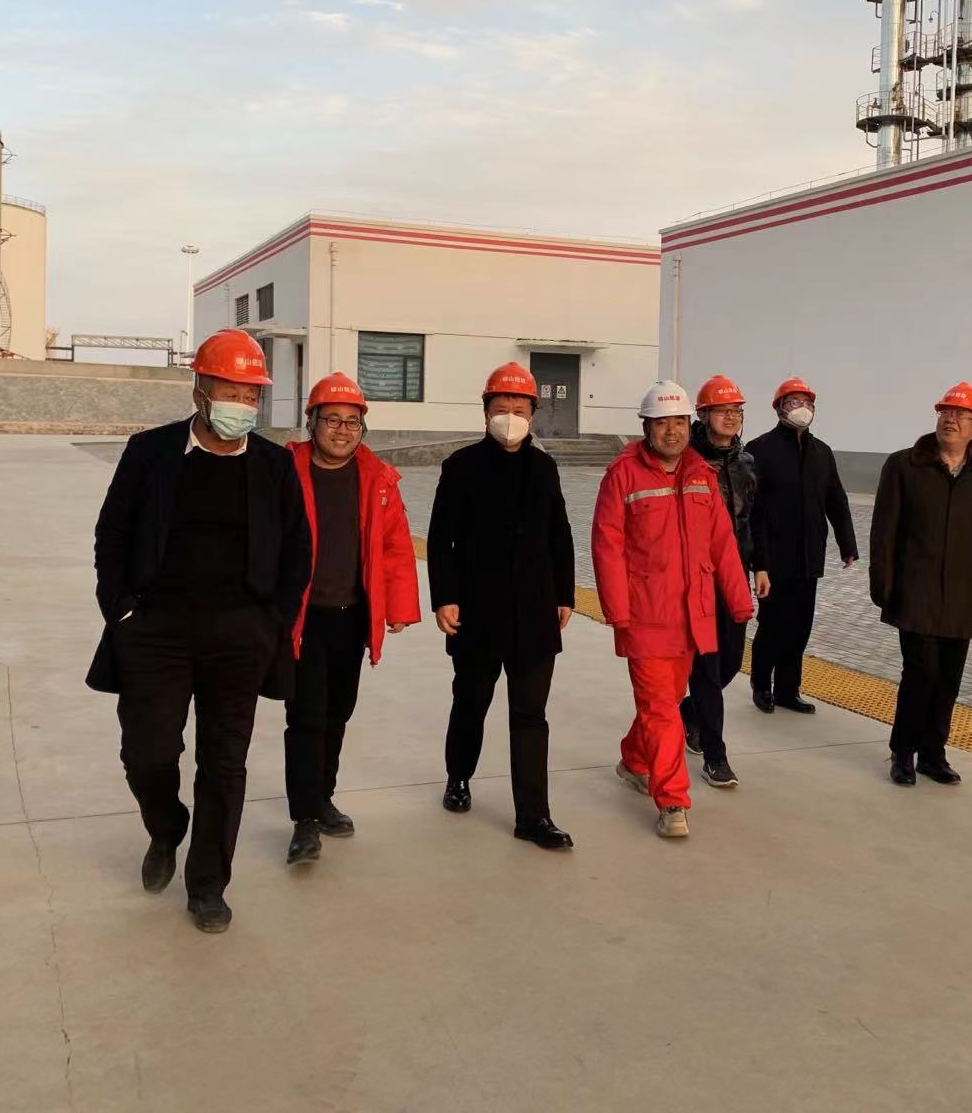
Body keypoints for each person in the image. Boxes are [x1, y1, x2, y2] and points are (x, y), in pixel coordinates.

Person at [88, 329, 311, 934]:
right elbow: (112, 533)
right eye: (230, 390)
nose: (242, 403)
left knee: (225, 762)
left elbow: (297, 550)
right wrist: (121, 611)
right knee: (147, 753)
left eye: (251, 393)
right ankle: (166, 827)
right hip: (155, 631)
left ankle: (208, 886)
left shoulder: (274, 466)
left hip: (240, 636)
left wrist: (272, 623)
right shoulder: (149, 452)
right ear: (200, 391)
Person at [592, 381, 754, 840]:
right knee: (662, 707)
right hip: (645, 614)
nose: (672, 431)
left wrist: (738, 599)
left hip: (692, 616)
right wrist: (617, 609)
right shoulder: (623, 475)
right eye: (662, 423)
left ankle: (634, 759)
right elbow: (607, 544)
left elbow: (722, 542)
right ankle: (673, 800)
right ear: (646, 427)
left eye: (679, 422)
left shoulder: (701, 474)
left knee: (663, 699)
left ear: (689, 424)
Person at [430, 362, 577, 850]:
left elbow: (559, 533)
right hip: (477, 611)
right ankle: (458, 775)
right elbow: (441, 538)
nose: (510, 417)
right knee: (471, 700)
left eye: (519, 408)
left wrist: (565, 593)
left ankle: (533, 816)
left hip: (535, 612)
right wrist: (445, 597)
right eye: (501, 408)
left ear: (533, 412)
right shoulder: (461, 466)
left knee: (531, 714)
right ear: (485, 411)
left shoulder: (545, 469)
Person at [282, 372, 421, 865]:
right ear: (312, 422)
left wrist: (399, 606)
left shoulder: (377, 478)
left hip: (352, 617)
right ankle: (303, 821)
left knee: (337, 713)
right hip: (302, 620)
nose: (342, 431)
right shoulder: (285, 471)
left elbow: (395, 545)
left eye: (352, 422)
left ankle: (323, 799)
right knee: (305, 718)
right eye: (332, 420)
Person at [869, 382, 972, 787]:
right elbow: (884, 530)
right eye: (945, 413)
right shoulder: (903, 466)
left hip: (961, 594)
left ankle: (933, 754)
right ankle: (903, 752)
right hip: (915, 592)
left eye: (961, 415)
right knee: (920, 673)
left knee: (948, 679)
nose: (950, 420)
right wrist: (881, 582)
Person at [746, 376, 859, 716]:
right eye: (794, 402)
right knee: (772, 624)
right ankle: (761, 686)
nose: (802, 409)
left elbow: (835, 499)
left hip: (809, 556)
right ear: (779, 408)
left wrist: (847, 543)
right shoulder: (759, 450)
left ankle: (787, 690)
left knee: (800, 626)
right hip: (773, 558)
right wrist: (758, 563)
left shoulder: (822, 452)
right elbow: (753, 513)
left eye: (807, 403)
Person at [680, 375, 761, 789]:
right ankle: (716, 755)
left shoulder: (746, 463)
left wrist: (760, 566)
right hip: (698, 577)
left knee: (730, 661)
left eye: (736, 411)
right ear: (703, 415)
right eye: (722, 411)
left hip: (736, 574)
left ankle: (690, 711)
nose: (731, 418)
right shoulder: (688, 461)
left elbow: (753, 520)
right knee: (708, 668)